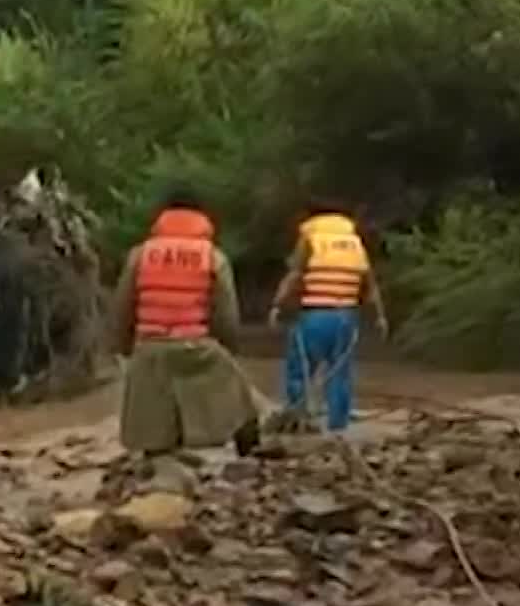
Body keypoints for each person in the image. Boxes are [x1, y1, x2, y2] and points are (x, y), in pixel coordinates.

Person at [107, 187, 260, 455]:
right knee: (239, 395)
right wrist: (228, 346)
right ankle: (248, 448)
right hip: (196, 347)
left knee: (152, 416)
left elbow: (123, 307)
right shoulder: (212, 256)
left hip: (150, 346)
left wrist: (123, 346)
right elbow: (225, 313)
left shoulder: (140, 255)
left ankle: (158, 455)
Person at [267, 200, 389, 432]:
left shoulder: (311, 238)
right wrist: (380, 317)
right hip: (345, 318)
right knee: (340, 374)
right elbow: (370, 285)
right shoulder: (354, 243)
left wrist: (277, 306)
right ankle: (338, 427)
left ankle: (298, 420)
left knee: (299, 371)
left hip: (314, 316)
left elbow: (294, 276)